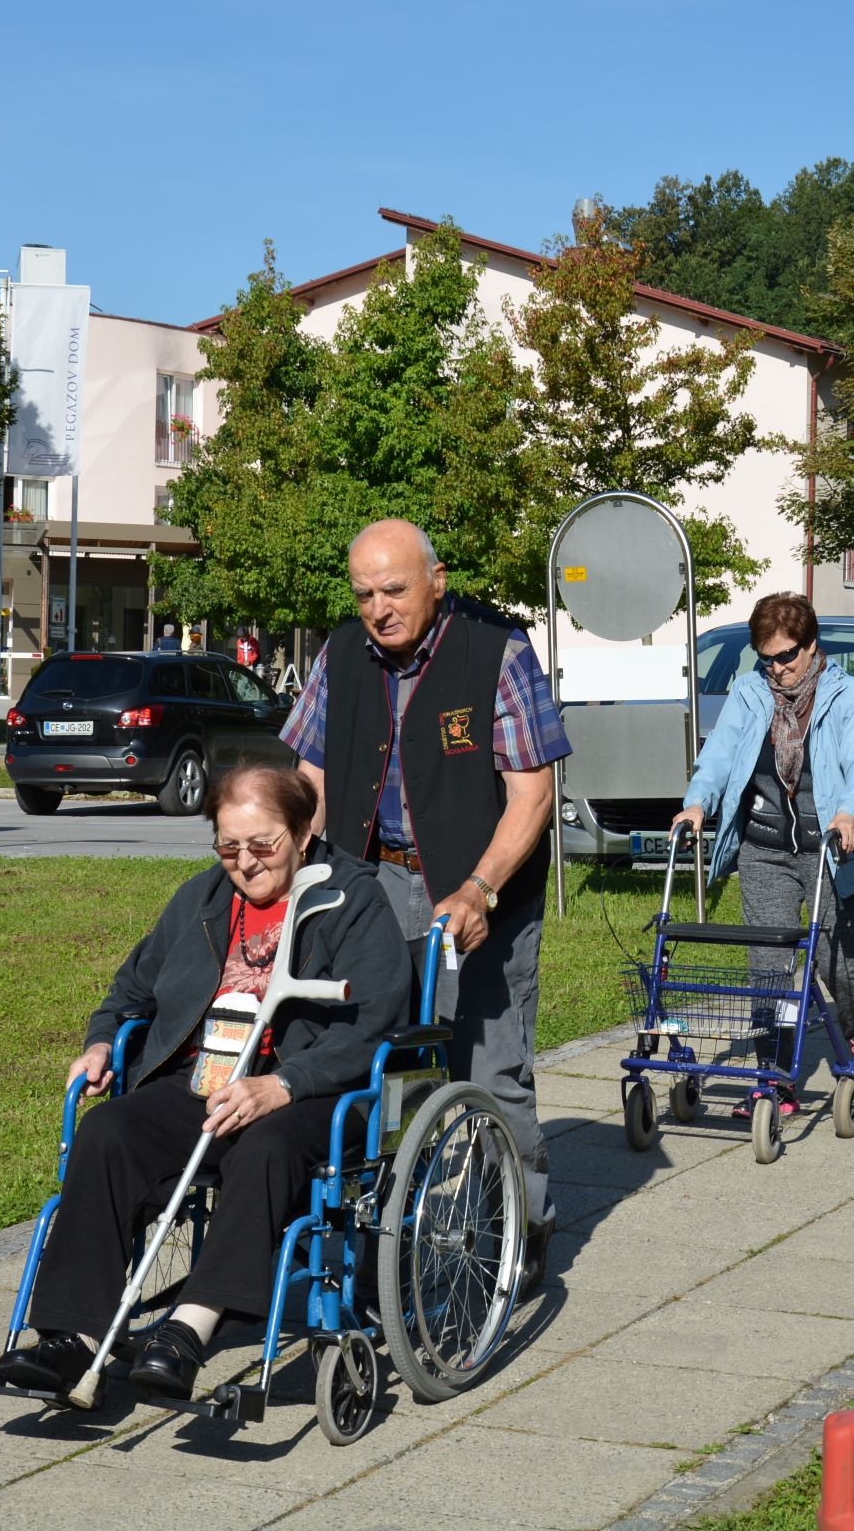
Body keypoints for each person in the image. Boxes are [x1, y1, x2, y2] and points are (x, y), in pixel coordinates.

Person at [0, 764, 415, 1401]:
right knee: (108, 1130)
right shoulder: (202, 900)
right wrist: (102, 1038)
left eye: (263, 844)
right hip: (209, 1079)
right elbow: (130, 987)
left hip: (318, 1091)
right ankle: (72, 1339)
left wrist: (283, 1085)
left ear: (303, 830)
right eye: (228, 846)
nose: (245, 863)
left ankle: (189, 1329)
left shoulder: (352, 898)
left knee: (264, 1147)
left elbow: (373, 1018)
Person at [279, 519, 571, 1246]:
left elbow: (532, 795)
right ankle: (374, 1235)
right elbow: (308, 774)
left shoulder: (495, 652)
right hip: (368, 879)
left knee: (487, 1066)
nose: (379, 608)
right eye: (364, 594)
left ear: (436, 583)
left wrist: (480, 888)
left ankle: (516, 1232)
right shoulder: (342, 653)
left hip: (480, 884)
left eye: (395, 589)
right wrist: (290, 868)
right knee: (363, 1057)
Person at [671, 594, 854, 1110]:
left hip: (835, 850)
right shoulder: (750, 694)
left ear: (812, 646)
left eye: (787, 656)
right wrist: (697, 804)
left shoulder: (849, 697)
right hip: (765, 847)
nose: (777, 668)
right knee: (768, 967)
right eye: (767, 657)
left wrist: (848, 813)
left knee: (838, 964)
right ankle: (775, 1077)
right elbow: (718, 757)